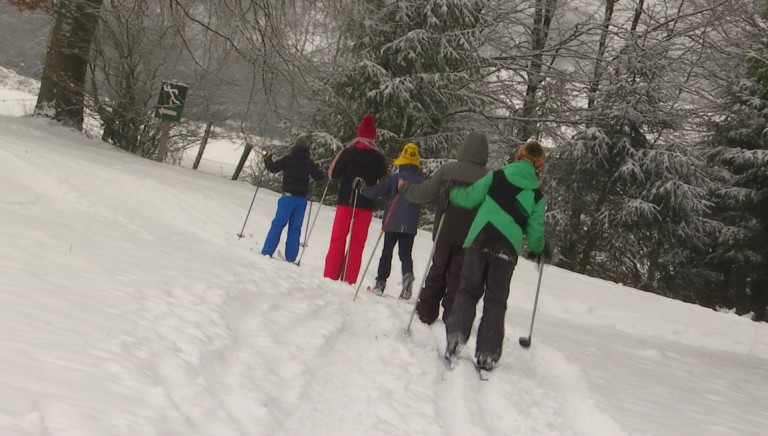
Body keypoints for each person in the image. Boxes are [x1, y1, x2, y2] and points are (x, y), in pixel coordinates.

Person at [443, 141, 550, 372]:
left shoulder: (496, 177)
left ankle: (455, 338)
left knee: (468, 291)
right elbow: (535, 232)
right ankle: (487, 354)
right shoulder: (537, 196)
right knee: (495, 301)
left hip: (480, 240)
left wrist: (452, 192)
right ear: (539, 166)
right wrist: (540, 249)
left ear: (518, 156)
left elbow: (469, 198)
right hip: (506, 250)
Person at [397, 132, 489, 324]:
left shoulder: (448, 170)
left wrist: (405, 188)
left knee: (437, 270)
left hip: (444, 230)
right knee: (458, 276)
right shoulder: (488, 177)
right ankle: (451, 315)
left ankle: (426, 311)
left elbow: (425, 193)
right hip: (470, 237)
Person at [324, 115, 388, 284]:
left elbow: (335, 174)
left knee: (338, 239)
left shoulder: (348, 152)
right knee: (357, 244)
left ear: (359, 133)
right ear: (373, 136)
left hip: (346, 201)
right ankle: (349, 279)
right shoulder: (378, 157)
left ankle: (330, 275)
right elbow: (383, 181)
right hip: (365, 205)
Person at [360, 142, 424, 299]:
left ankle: (380, 283)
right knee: (405, 254)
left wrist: (362, 189)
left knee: (386, 253)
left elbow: (377, 191)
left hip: (392, 221)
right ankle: (407, 276)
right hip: (409, 225)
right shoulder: (421, 182)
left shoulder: (395, 178)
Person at [261, 136, 326, 262]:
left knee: (278, 225)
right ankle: (291, 257)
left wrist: (267, 159)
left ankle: (267, 252)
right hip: (301, 200)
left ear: (295, 147)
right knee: (295, 229)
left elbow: (272, 168)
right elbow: (319, 177)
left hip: (288, 197)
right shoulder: (309, 162)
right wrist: (317, 167)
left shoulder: (288, 158)